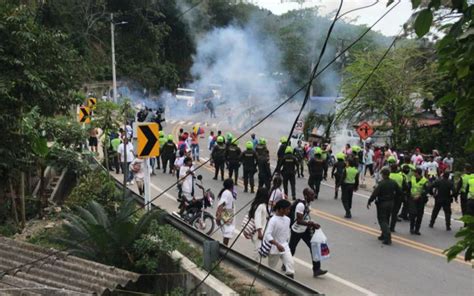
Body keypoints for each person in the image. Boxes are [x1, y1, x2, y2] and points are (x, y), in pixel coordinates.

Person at [289, 188, 327, 277]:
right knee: (291, 249)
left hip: (305, 229)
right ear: (306, 196)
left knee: (314, 247)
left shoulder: (308, 204)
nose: (314, 196)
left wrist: (312, 223)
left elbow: (306, 217)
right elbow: (298, 221)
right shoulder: (300, 205)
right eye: (311, 195)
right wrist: (311, 224)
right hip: (297, 230)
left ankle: (316, 269)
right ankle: (286, 264)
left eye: (313, 194)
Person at [367, 168, 401, 245]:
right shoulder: (393, 182)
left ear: (383, 175)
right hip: (391, 203)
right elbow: (399, 192)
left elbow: (375, 193)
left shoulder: (381, 183)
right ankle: (383, 234)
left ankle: (387, 237)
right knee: (387, 218)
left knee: (382, 220)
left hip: (382, 203)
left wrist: (370, 201)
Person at [264, 199, 295, 278]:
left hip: (284, 246)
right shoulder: (273, 220)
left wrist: (284, 244)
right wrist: (277, 244)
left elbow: (286, 233)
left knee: (290, 265)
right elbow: (267, 235)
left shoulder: (288, 220)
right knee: (271, 268)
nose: (289, 211)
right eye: (287, 209)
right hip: (274, 248)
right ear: (281, 209)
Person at [247, 187, 270, 258]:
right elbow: (257, 219)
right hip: (258, 233)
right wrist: (260, 232)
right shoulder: (261, 206)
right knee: (258, 250)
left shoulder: (257, 204)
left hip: (258, 232)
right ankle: (254, 265)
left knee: (258, 249)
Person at [408, 168, 429, 235]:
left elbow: (426, 191)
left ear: (418, 173)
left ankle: (417, 229)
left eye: (415, 172)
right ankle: (411, 228)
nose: (414, 173)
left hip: (420, 200)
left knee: (419, 215)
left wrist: (419, 195)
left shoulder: (425, 181)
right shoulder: (412, 178)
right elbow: (409, 187)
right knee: (412, 214)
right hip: (412, 199)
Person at [388, 163, 408, 232]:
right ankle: (392, 227)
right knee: (394, 213)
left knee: (387, 212)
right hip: (398, 196)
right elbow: (406, 187)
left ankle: (385, 226)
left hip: (389, 196)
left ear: (391, 169)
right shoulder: (401, 176)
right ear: (397, 169)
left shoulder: (389, 175)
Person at [216, 179, 236, 246]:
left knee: (227, 233)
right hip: (226, 214)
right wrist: (218, 217)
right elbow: (221, 205)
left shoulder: (227, 192)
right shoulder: (227, 193)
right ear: (232, 185)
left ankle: (225, 246)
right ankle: (224, 247)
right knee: (227, 233)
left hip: (228, 214)